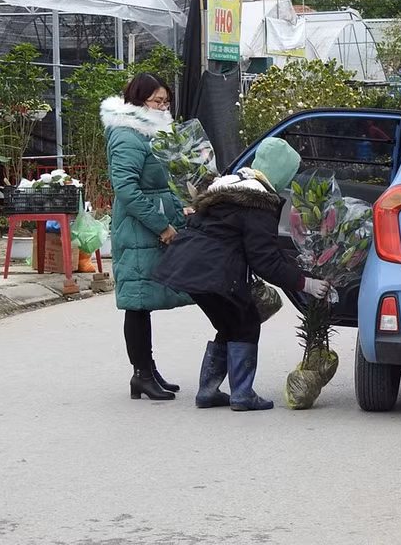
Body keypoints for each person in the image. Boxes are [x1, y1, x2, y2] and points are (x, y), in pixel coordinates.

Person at [153, 138, 330, 411]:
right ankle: (242, 395)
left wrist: (296, 270)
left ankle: (208, 391)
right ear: (281, 173)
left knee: (228, 325)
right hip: (217, 273)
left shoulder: (227, 189)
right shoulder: (258, 204)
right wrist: (305, 283)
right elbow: (265, 260)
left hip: (190, 268)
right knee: (246, 322)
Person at [101, 73, 192, 401]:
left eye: (166, 101)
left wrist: (180, 210)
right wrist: (162, 225)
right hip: (138, 227)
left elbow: (160, 182)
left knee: (144, 301)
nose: (163, 107)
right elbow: (126, 188)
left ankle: (148, 371)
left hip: (150, 224)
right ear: (138, 101)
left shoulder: (150, 132)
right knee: (137, 302)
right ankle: (141, 374)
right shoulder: (127, 135)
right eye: (157, 101)